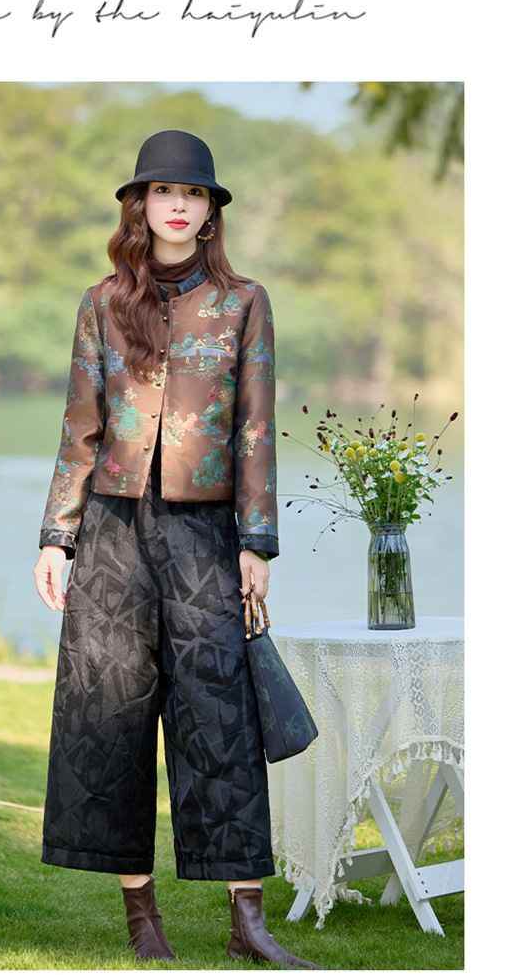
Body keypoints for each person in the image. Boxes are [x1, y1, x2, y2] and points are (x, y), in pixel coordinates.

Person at [33, 130, 323, 970]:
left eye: (194, 194)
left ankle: (247, 923)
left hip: (206, 533)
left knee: (220, 719)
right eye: (165, 191)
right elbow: (80, 426)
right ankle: (141, 917)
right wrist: (57, 536)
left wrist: (256, 542)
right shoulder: (100, 304)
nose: (179, 205)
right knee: (109, 715)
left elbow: (257, 427)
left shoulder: (243, 302)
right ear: (141, 205)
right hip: (112, 531)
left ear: (210, 212)